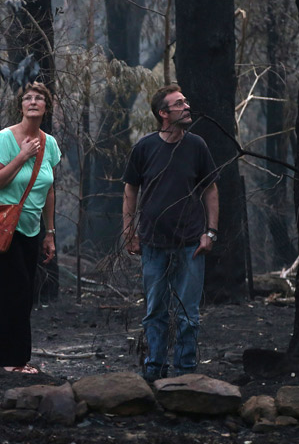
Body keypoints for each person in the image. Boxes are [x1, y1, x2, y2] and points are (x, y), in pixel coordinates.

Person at [122, 84, 219, 381]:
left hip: (190, 242)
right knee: (155, 311)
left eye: (186, 101)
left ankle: (187, 371)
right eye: (179, 103)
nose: (187, 106)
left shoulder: (197, 146)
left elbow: (211, 188)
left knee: (189, 314)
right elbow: (130, 189)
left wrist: (211, 233)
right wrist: (129, 232)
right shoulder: (145, 147)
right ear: (163, 113)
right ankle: (155, 370)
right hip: (153, 242)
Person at [0, 82, 61, 374]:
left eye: (39, 98)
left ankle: (17, 358)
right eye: (27, 98)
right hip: (1, 226)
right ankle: (8, 360)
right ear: (20, 106)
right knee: (12, 291)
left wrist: (49, 233)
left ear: (45, 107)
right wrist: (22, 156)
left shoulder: (50, 143)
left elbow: (49, 190)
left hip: (31, 228)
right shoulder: (6, 138)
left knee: (23, 292)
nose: (33, 101)